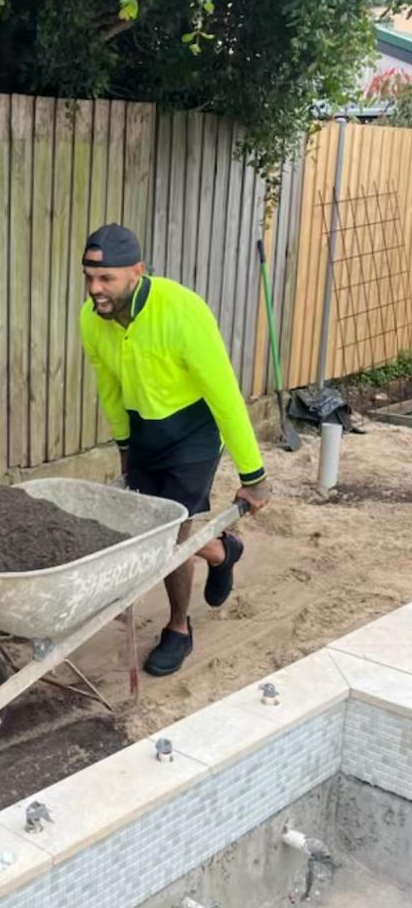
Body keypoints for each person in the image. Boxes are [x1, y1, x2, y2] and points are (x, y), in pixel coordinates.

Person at [80, 223, 270, 677]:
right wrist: (125, 445)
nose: (94, 289)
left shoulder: (182, 312)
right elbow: (109, 387)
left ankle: (179, 629)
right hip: (146, 431)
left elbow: (224, 394)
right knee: (154, 532)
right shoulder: (92, 318)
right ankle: (224, 552)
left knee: (172, 534)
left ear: (137, 272)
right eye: (88, 277)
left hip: (193, 433)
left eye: (106, 278)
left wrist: (254, 474)